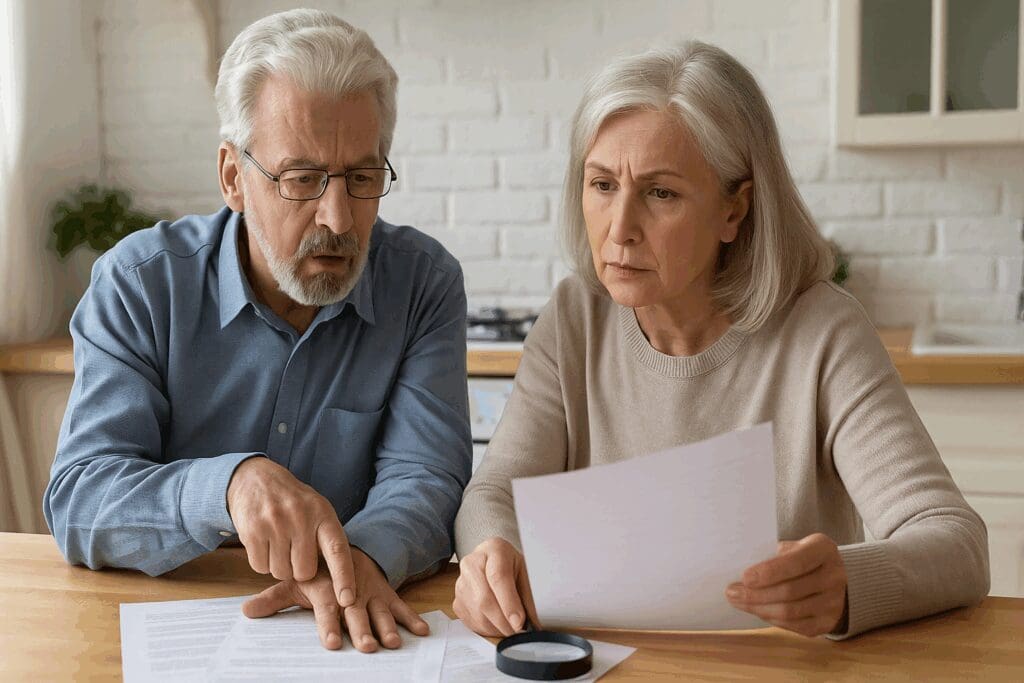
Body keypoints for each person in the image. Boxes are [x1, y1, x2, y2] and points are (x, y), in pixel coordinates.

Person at [453, 41, 989, 640]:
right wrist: (488, 551)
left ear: (735, 210)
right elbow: (495, 489)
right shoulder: (575, 317)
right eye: (602, 185)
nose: (620, 229)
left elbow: (956, 542)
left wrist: (847, 584)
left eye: (661, 193)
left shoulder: (822, 332)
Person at [44, 9, 471, 652]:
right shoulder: (138, 284)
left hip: (351, 630)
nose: (339, 217)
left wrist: (358, 561)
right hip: (168, 633)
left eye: (361, 177)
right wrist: (228, 485)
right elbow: (80, 499)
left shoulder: (424, 284)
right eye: (301, 179)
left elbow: (428, 477)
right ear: (232, 177)